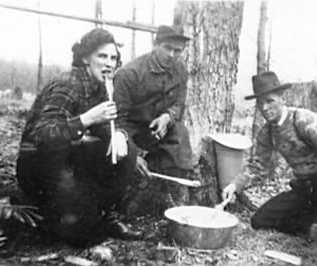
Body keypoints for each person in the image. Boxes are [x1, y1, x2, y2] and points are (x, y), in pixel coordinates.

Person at [16, 28, 141, 246]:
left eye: (113, 58)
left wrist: (118, 133)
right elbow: (41, 134)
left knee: (127, 147)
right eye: (102, 56)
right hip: (37, 165)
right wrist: (85, 119)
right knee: (86, 236)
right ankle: (28, 214)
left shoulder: (100, 87)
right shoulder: (68, 84)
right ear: (85, 57)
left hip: (68, 160)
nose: (109, 64)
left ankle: (108, 214)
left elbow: (105, 127)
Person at [222, 71, 317, 237]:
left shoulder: (302, 119)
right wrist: (234, 186)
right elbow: (257, 167)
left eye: (270, 101)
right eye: (260, 103)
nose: (265, 108)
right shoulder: (266, 133)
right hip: (304, 189)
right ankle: (308, 224)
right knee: (260, 221)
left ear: (282, 98)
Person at [113, 25, 194, 210]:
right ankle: (124, 204)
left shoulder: (180, 71)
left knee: (180, 133)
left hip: (157, 130)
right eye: (167, 48)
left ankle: (175, 195)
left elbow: (179, 105)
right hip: (129, 132)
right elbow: (117, 121)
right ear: (155, 44)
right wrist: (133, 156)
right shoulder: (130, 73)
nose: (172, 55)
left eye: (177, 51)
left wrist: (167, 117)